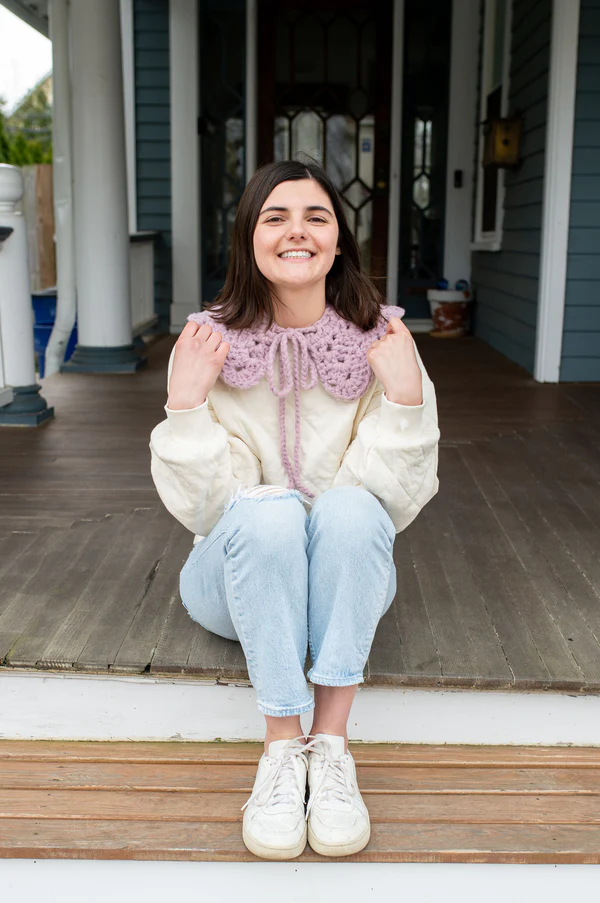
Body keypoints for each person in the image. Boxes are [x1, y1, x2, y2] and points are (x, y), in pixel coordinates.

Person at [149, 159, 440, 861]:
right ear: (249, 236)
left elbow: (392, 506)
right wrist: (186, 407)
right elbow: (208, 512)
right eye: (275, 216)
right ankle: (284, 747)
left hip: (345, 576)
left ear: (339, 241)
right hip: (232, 578)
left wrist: (404, 403)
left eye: (317, 216)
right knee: (267, 511)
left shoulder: (386, 342)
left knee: (349, 509)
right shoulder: (205, 342)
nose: (297, 232)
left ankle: (331, 747)